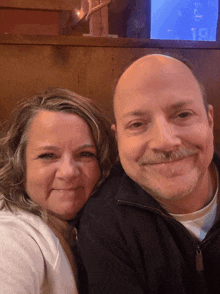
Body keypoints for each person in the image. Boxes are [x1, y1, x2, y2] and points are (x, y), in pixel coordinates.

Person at [78, 54, 220, 294]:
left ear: (209, 120)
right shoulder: (104, 224)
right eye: (137, 124)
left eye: (183, 114)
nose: (165, 142)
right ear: (118, 138)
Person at [0, 87, 117, 294]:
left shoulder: (91, 229)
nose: (68, 172)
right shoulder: (10, 238)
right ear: (19, 165)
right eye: (48, 156)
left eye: (85, 154)